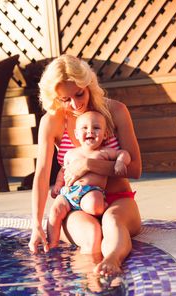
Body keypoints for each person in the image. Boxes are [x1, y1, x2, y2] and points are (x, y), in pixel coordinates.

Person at [29, 54, 142, 277]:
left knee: (111, 221)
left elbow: (135, 169)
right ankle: (92, 294)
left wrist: (88, 165)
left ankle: (111, 261)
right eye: (65, 99)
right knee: (91, 235)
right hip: (77, 205)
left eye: (79, 93)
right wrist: (36, 225)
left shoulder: (116, 111)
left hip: (118, 200)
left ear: (88, 84)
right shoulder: (52, 121)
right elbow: (42, 174)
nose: (75, 104)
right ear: (55, 98)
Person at [47, 110, 131, 249]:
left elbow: (123, 153)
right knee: (55, 211)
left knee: (94, 206)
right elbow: (63, 170)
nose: (90, 131)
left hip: (91, 191)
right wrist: (57, 185)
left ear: (105, 135)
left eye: (96, 128)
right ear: (76, 134)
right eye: (84, 128)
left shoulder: (103, 152)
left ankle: (102, 208)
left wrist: (121, 162)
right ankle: (52, 244)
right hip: (68, 192)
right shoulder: (71, 153)